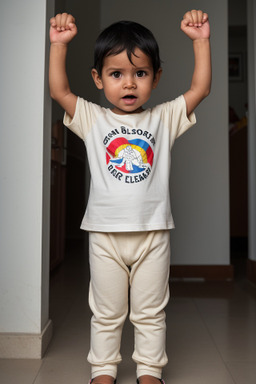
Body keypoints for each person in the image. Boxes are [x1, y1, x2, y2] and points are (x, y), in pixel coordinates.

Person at [49, 9, 211, 384]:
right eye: (116, 74)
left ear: (155, 78)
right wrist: (58, 46)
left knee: (150, 311)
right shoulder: (93, 119)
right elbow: (59, 91)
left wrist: (200, 41)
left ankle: (150, 370)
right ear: (98, 78)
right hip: (104, 235)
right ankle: (103, 369)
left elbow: (200, 88)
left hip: (152, 234)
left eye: (140, 73)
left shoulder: (163, 118)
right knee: (106, 311)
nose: (129, 84)